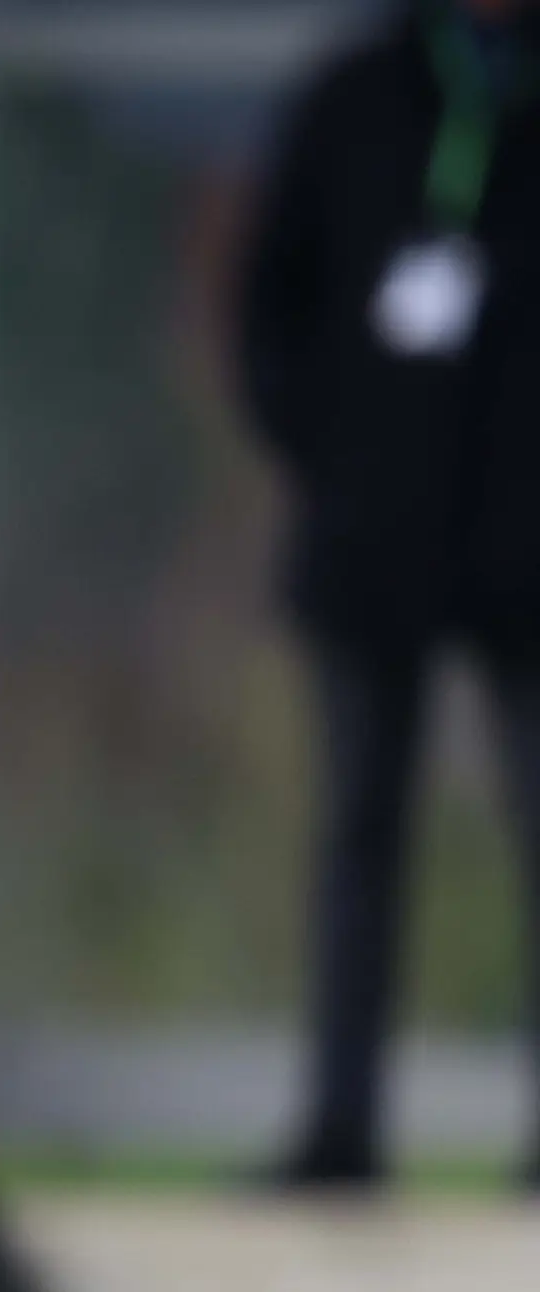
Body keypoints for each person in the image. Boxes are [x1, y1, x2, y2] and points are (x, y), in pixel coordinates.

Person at [239, 0, 540, 1188]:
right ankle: (341, 1127)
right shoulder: (356, 93)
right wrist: (345, 451)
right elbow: (273, 306)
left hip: (526, 536)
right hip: (375, 537)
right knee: (359, 834)